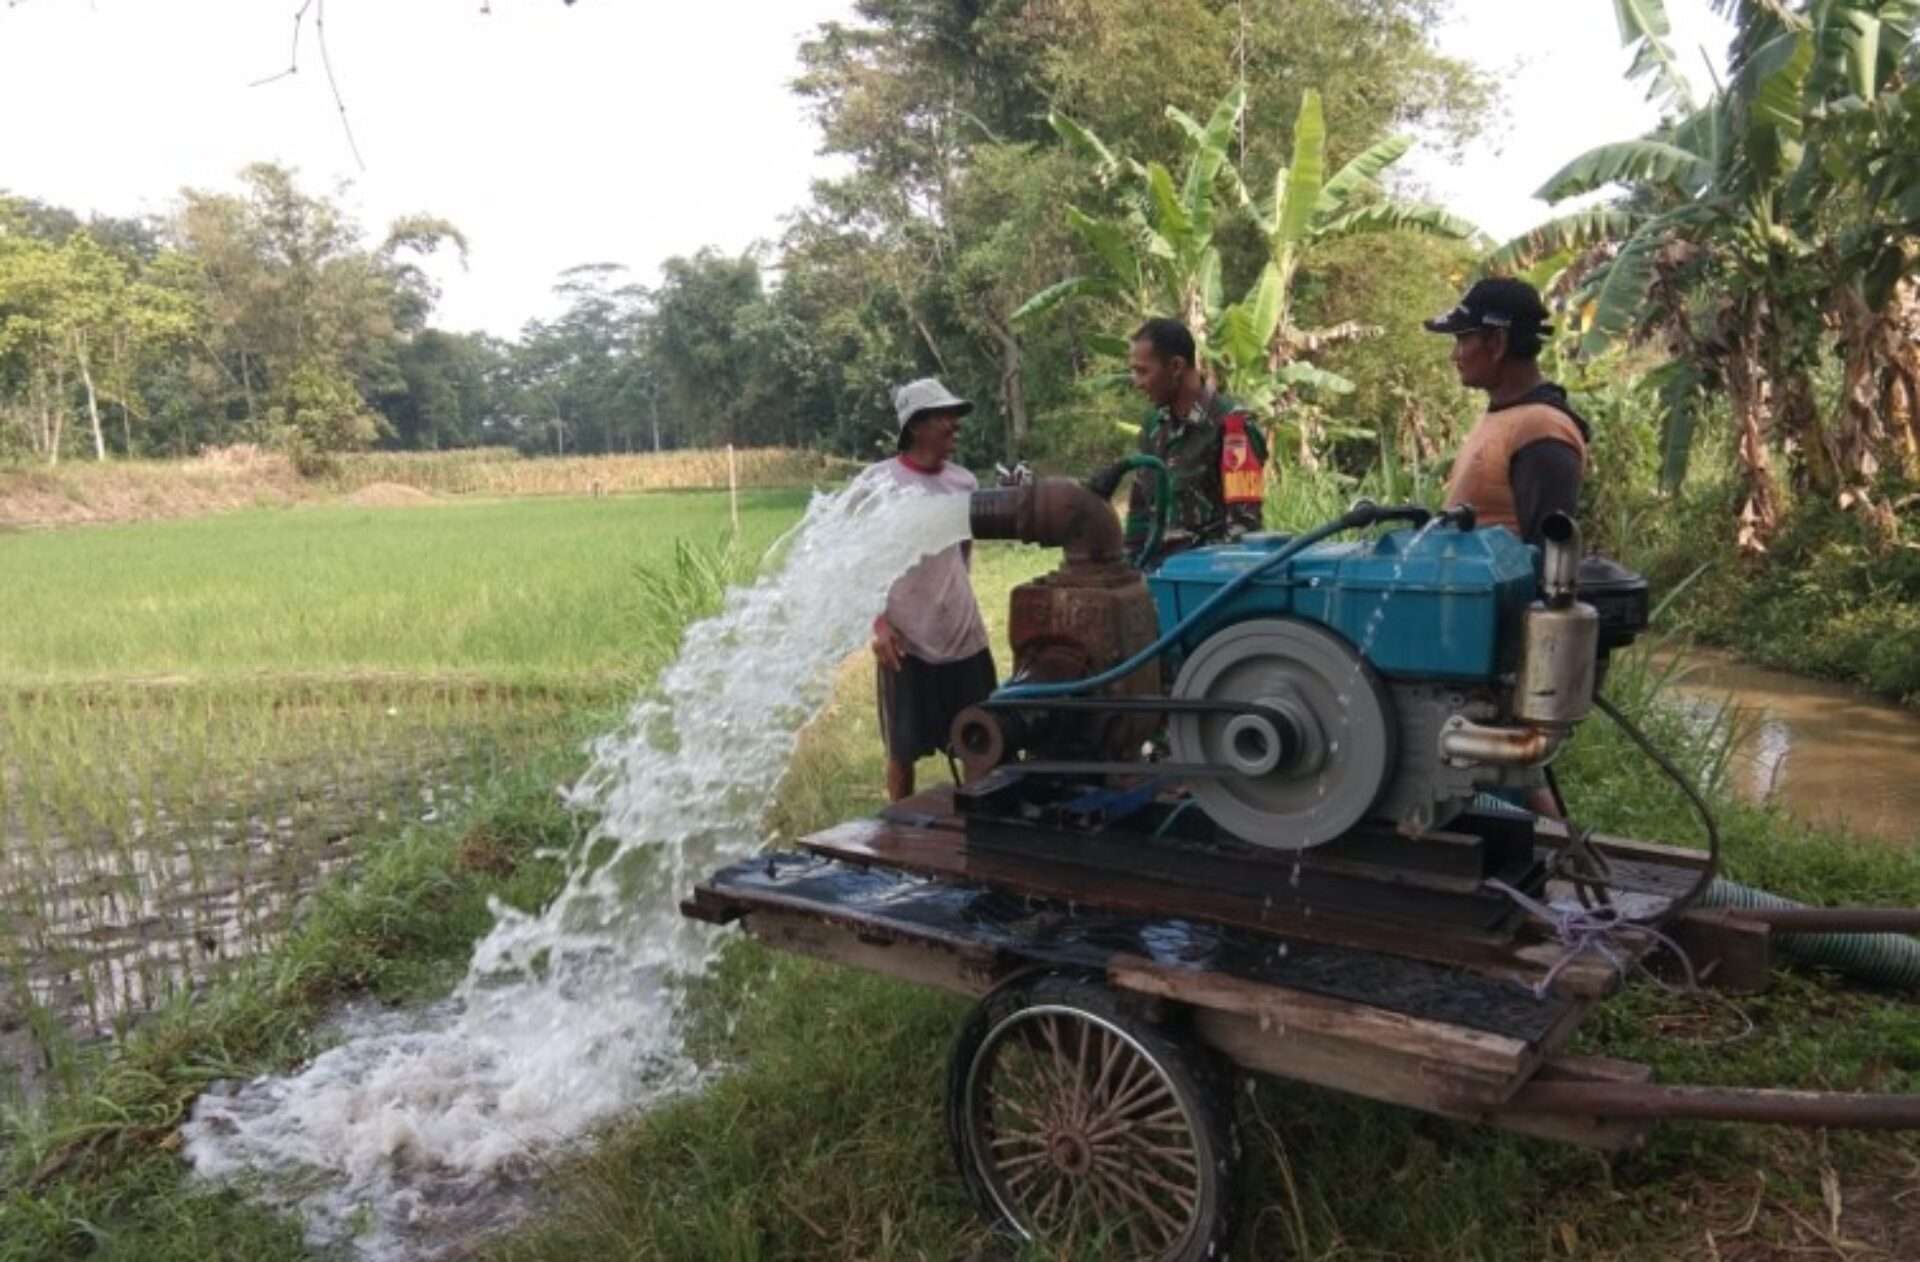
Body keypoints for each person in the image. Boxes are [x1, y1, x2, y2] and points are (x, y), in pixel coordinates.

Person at [868, 378, 998, 802]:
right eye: (946, 417)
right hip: (906, 640)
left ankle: (978, 829)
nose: (955, 427)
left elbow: (963, 553)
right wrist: (880, 624)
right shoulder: (879, 484)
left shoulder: (964, 483)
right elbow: (858, 563)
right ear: (918, 425)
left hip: (963, 633)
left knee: (980, 740)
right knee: (902, 752)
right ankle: (898, 834)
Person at [1424, 278, 1591, 543]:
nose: (1455, 355)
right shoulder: (1506, 415)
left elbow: (1545, 556)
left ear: (1497, 343)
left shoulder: (1541, 429)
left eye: (1463, 340)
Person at [1122, 317, 1268, 559]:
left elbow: (1244, 530)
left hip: (1206, 582)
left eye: (1143, 371)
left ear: (1176, 367)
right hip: (1159, 578)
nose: (1137, 383)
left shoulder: (1233, 427)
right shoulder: (1153, 426)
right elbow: (1139, 513)